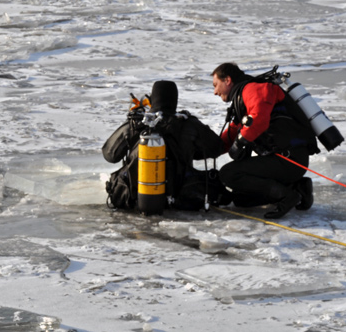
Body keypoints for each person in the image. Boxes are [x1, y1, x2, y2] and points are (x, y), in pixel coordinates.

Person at [211, 62, 315, 219]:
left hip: (289, 159)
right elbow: (231, 134)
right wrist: (202, 150)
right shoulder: (243, 100)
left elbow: (258, 120)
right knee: (241, 199)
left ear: (227, 80)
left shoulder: (254, 89)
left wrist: (240, 144)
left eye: (215, 85)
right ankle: (297, 188)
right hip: (281, 161)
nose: (215, 92)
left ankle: (286, 195)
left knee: (228, 174)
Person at [103, 80, 225, 212]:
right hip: (182, 198)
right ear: (175, 100)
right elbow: (217, 148)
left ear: (153, 98)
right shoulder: (189, 124)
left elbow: (109, 155)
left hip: (136, 199)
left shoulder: (136, 124)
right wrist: (191, 150)